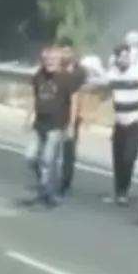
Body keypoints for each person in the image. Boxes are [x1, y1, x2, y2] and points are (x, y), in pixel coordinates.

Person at [24, 46, 83, 207]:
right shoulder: (38, 76)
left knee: (48, 160)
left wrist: (71, 125)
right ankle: (47, 186)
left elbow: (74, 103)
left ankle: (45, 193)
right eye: (46, 60)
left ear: (59, 62)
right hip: (39, 124)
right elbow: (34, 98)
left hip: (57, 124)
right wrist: (28, 116)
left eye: (52, 60)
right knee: (30, 158)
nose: (49, 63)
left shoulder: (67, 79)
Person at [103, 44, 138, 205]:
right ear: (115, 58)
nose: (124, 59)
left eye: (126, 55)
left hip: (137, 122)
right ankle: (118, 192)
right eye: (121, 56)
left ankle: (123, 192)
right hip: (120, 123)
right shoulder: (112, 75)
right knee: (118, 159)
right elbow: (101, 85)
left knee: (129, 157)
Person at [54, 38, 91, 196]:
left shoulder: (80, 72)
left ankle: (65, 181)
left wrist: (85, 114)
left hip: (73, 114)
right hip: (55, 113)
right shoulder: (55, 69)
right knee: (52, 148)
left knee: (69, 150)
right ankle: (51, 179)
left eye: (68, 51)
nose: (65, 54)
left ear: (73, 52)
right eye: (63, 50)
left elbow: (85, 93)